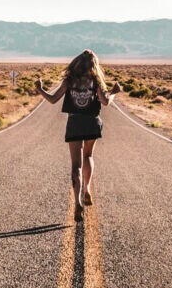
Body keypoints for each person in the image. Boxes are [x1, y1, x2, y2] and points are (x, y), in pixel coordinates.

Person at [36, 49, 122, 222]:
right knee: (88, 155)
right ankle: (87, 189)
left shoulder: (69, 80)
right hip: (92, 121)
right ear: (94, 64)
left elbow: (53, 100)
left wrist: (40, 89)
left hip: (75, 122)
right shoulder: (96, 80)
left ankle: (77, 201)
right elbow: (105, 102)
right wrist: (113, 92)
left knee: (76, 164)